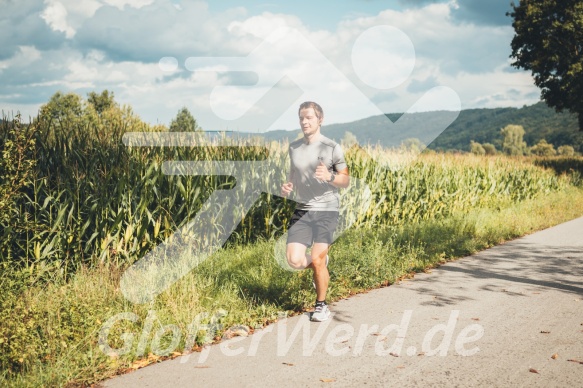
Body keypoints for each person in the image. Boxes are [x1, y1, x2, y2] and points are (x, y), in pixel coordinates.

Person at [280, 101, 350, 322]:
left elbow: (345, 180)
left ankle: (321, 306)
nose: (304, 122)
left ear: (320, 119)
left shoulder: (331, 147)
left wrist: (329, 177)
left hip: (327, 210)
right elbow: (293, 175)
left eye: (309, 117)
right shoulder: (294, 147)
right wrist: (287, 186)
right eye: (301, 118)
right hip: (303, 209)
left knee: (318, 260)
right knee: (294, 260)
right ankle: (320, 264)